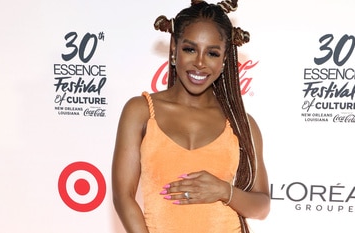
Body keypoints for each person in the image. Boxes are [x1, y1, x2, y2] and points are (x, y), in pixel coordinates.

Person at [111, 0, 270, 232]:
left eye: (212, 53)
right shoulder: (141, 111)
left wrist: (225, 191)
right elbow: (123, 197)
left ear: (225, 59)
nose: (199, 63)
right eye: (190, 49)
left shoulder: (240, 123)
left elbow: (262, 206)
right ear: (174, 48)